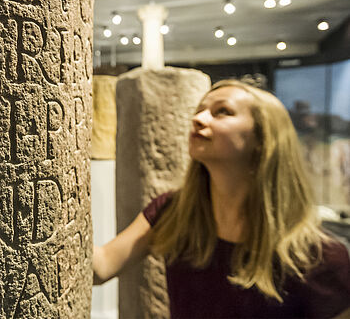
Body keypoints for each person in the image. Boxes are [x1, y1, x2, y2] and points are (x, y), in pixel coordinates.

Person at [93, 79, 350, 318]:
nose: (198, 118)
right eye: (200, 109)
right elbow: (102, 265)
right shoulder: (173, 210)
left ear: (262, 139)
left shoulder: (321, 258)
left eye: (222, 111)